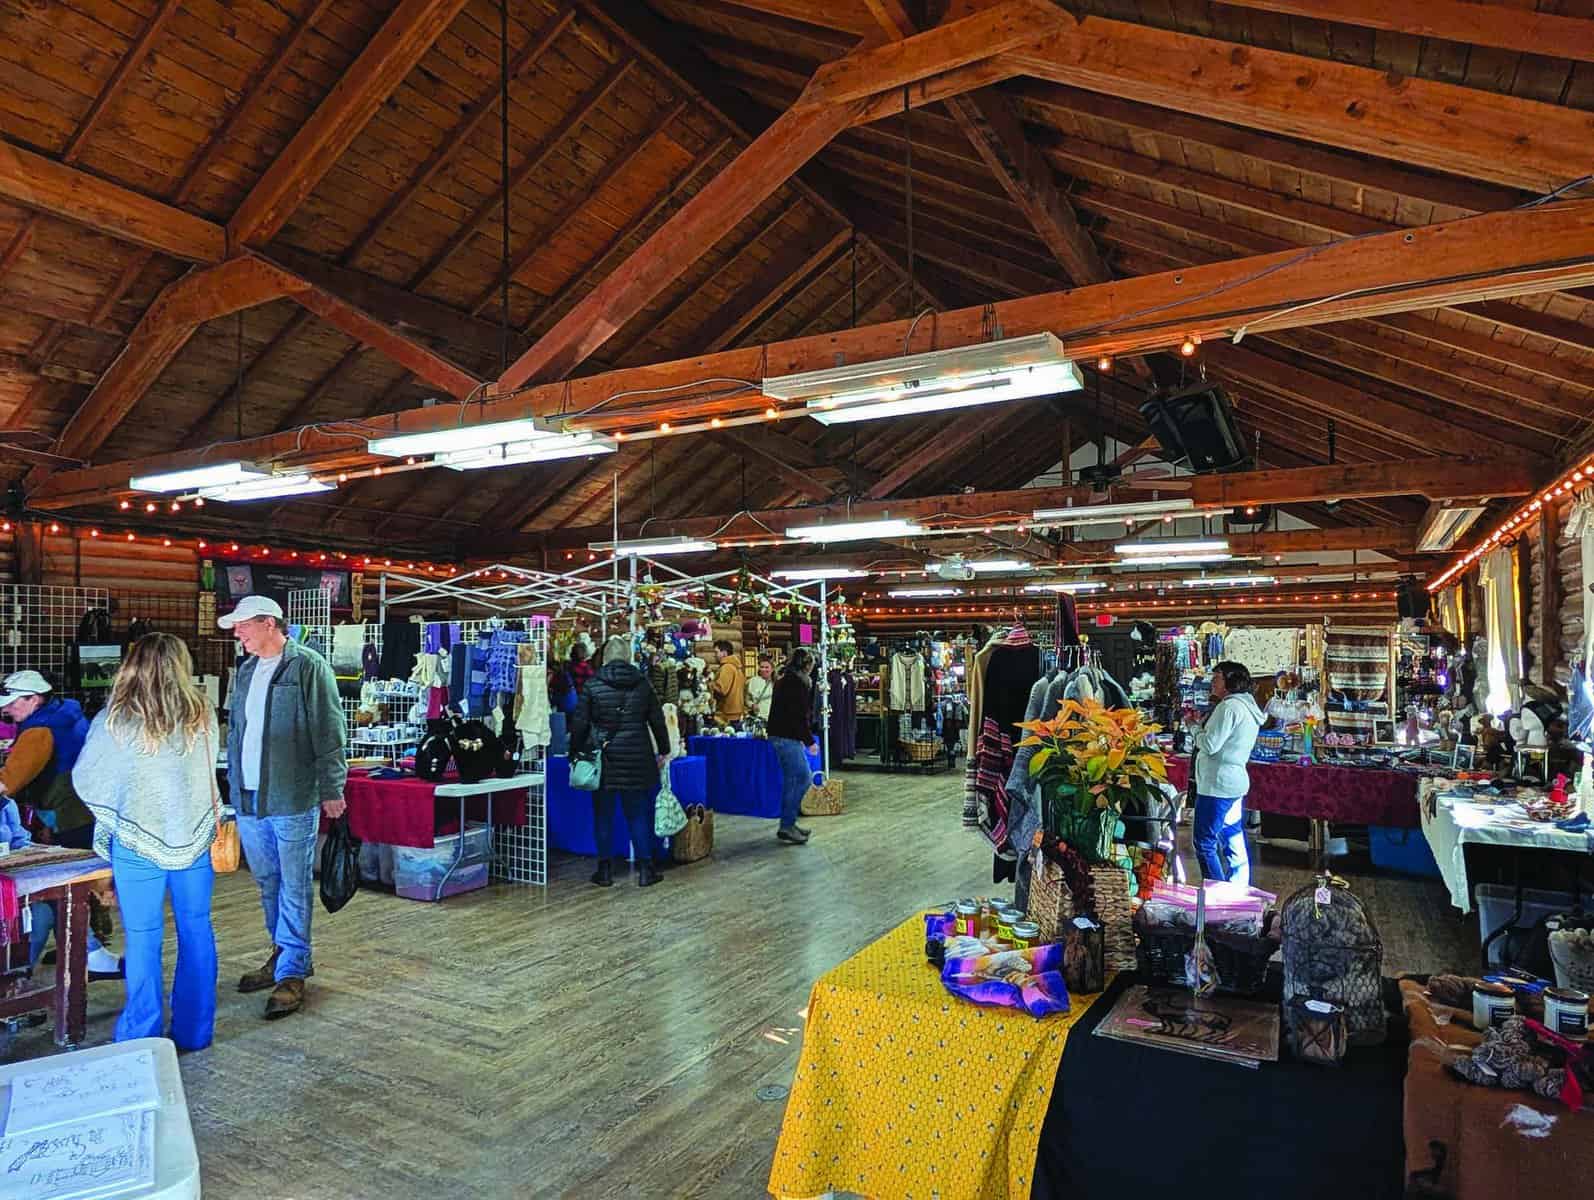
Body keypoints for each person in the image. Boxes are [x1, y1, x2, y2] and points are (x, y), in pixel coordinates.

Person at [74, 634, 219, 1050]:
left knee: (142, 937)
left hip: (137, 843)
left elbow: (88, 778)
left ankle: (142, 1032)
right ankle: (195, 1031)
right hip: (193, 841)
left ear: (131, 664)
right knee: (196, 931)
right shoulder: (202, 712)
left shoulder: (114, 720)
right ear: (181, 665)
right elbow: (205, 776)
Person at [222, 595, 347, 1019]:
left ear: (269, 623)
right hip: (250, 797)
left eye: (243, 626)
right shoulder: (243, 672)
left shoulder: (308, 666)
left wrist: (332, 787)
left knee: (293, 884)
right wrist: (231, 788)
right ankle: (283, 954)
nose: (237, 633)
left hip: (293, 796)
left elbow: (329, 730)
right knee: (268, 882)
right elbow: (236, 732)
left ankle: (293, 970)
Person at [0, 670, 120, 977]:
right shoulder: (67, 712)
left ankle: (85, 953)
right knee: (76, 887)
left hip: (71, 814)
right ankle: (85, 948)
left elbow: (6, 783)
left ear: (34, 699)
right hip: (89, 810)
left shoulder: (38, 732)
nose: (7, 710)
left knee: (64, 889)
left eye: (13, 703)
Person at [569, 635, 670, 889]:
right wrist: (665, 749)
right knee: (637, 815)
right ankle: (646, 870)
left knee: (603, 815)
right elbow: (657, 720)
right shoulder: (642, 683)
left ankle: (604, 871)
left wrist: (575, 752)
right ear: (628, 656)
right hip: (637, 758)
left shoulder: (593, 685)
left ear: (605, 656)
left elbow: (580, 723)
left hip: (604, 759)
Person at [1192, 660, 1265, 885]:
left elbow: (1211, 744)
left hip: (1217, 784)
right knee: (1231, 837)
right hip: (1232, 782)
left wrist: (1194, 728)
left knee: (1204, 842)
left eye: (1217, 678)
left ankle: (1218, 894)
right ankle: (1238, 889)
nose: (1212, 682)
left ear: (1230, 681)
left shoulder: (1229, 707)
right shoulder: (1246, 706)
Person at [767, 648, 817, 846]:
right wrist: (809, 741)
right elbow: (798, 716)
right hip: (787, 736)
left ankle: (788, 824)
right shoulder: (798, 684)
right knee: (804, 777)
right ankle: (787, 824)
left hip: (780, 734)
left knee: (791, 780)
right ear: (806, 665)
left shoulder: (784, 680)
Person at [711, 640, 746, 727]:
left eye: (716, 652)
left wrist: (709, 683)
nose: (714, 655)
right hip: (736, 711)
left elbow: (722, 690)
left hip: (727, 714)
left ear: (724, 653)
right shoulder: (736, 667)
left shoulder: (727, 667)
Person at [745, 654, 775, 724]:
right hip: (758, 718)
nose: (764, 669)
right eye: (762, 667)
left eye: (767, 667)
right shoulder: (752, 681)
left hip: (773, 718)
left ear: (772, 669)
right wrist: (752, 705)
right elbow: (747, 699)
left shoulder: (776, 682)